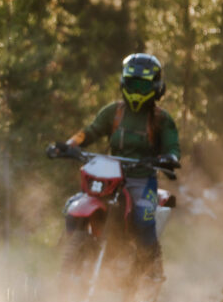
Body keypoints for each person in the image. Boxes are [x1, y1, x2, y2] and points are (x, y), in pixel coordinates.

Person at [53, 53, 181, 279]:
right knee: (74, 204)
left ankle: (149, 269)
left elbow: (172, 147)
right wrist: (69, 145)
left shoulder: (162, 119)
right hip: (112, 176)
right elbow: (90, 131)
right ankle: (78, 248)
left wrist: (168, 158)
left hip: (142, 178)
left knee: (142, 217)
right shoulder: (114, 111)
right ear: (124, 82)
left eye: (144, 85)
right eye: (133, 84)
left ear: (156, 87)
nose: (138, 91)